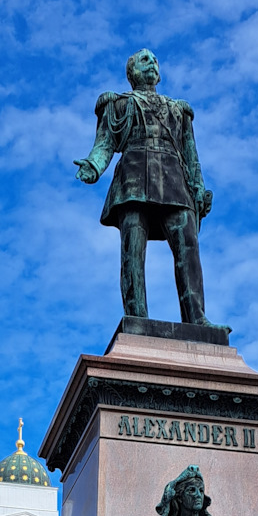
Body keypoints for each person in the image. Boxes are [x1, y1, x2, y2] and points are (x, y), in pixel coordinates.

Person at [75, 47, 213, 325]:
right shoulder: (118, 105)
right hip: (133, 179)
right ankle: (137, 317)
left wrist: (198, 188)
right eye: (144, 60)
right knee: (132, 251)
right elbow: (105, 145)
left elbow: (191, 156)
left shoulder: (178, 110)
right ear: (132, 73)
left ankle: (197, 319)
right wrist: (93, 166)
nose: (152, 64)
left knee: (188, 247)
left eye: (155, 61)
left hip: (175, 180)